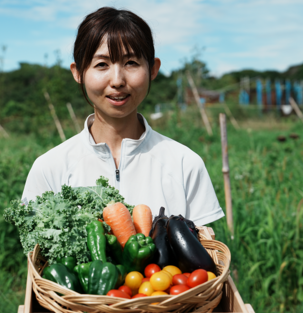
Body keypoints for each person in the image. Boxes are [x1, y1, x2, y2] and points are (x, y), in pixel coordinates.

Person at [22, 7, 224, 225]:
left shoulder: (185, 165)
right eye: (102, 65)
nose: (117, 80)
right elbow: (36, 256)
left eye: (131, 63)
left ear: (153, 69)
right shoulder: (50, 168)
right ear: (78, 72)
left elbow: (203, 253)